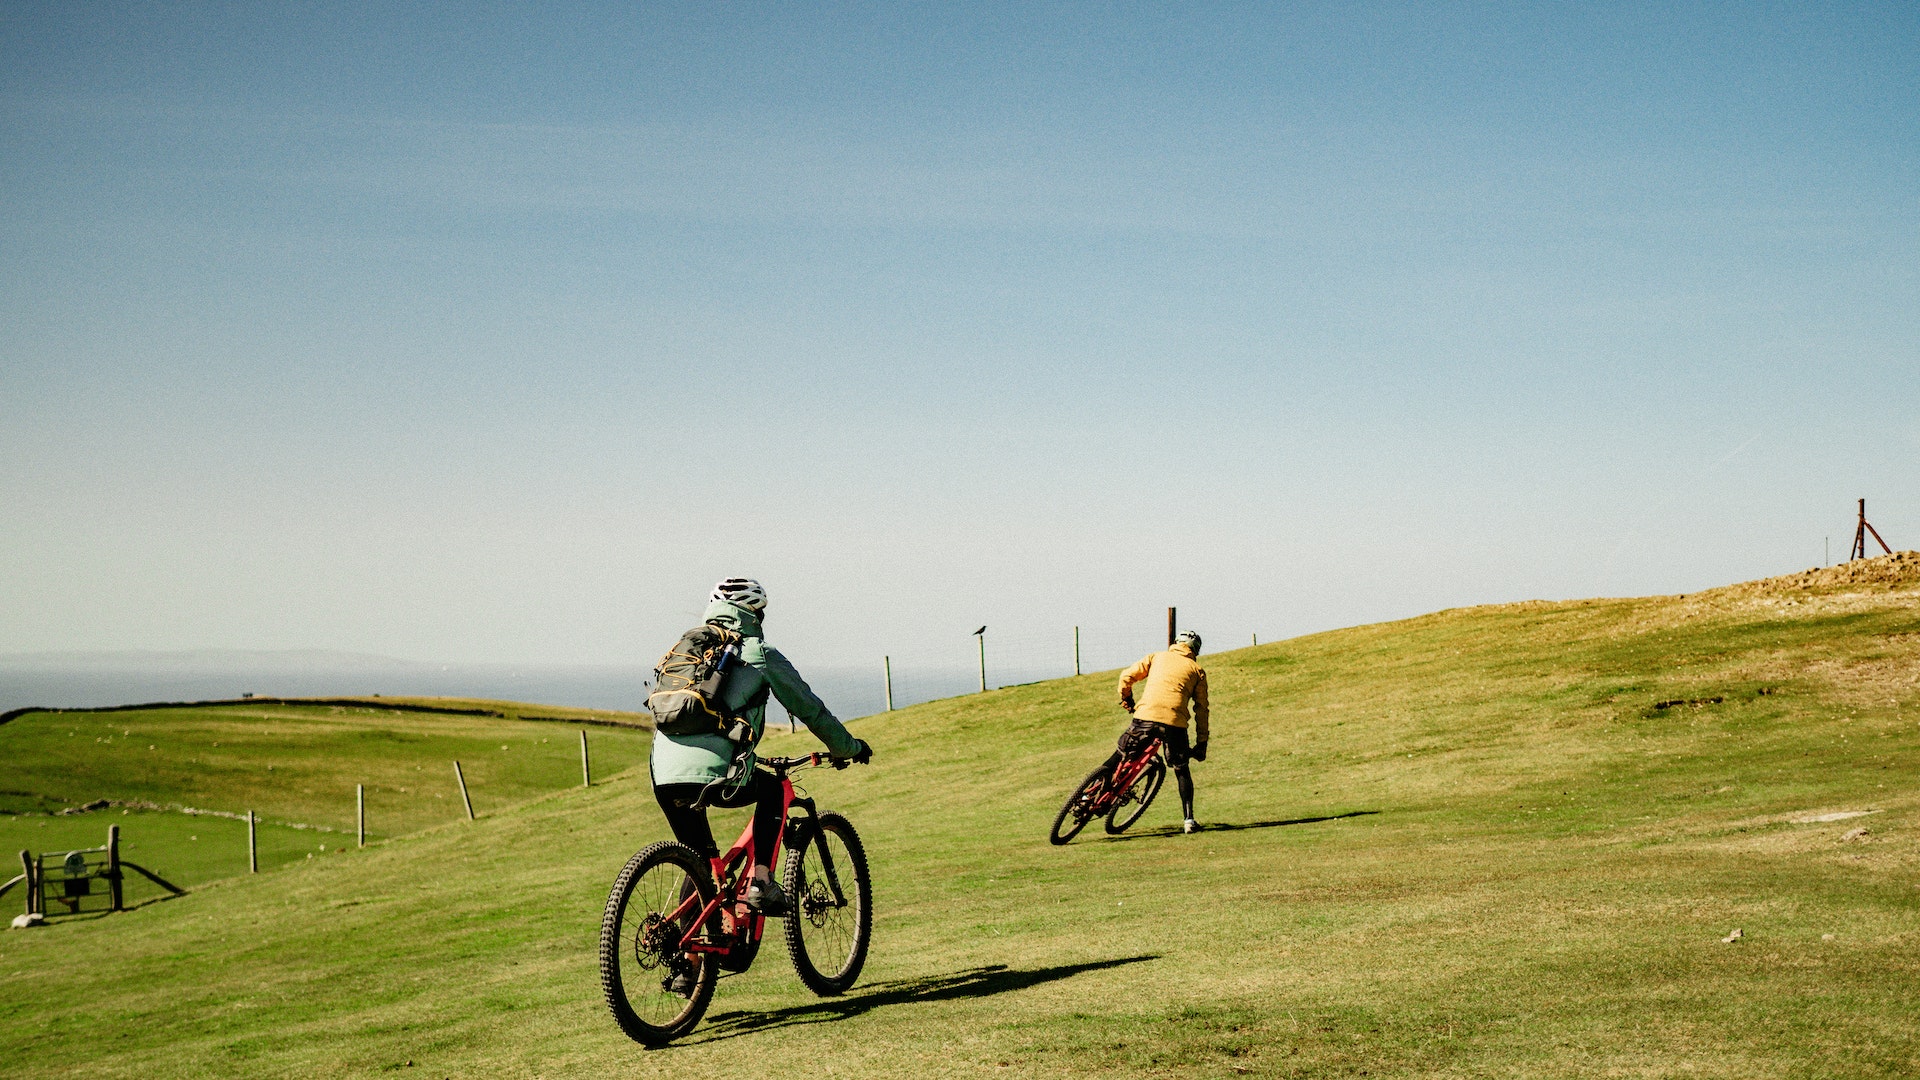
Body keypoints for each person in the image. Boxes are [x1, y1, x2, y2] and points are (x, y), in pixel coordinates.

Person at [649, 578, 871, 916]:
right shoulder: (757, 652)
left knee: (700, 865)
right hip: (717, 774)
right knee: (771, 790)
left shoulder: (688, 648)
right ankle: (762, 882)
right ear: (754, 613)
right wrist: (848, 747)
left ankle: (688, 965)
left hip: (663, 775)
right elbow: (811, 710)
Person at [1111, 629, 1209, 833]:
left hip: (1145, 717)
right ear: (1195, 650)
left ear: (1175, 643)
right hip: (1175, 724)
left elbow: (1126, 676)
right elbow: (1201, 710)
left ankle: (1086, 796)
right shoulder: (1197, 670)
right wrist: (1202, 743)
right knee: (1181, 768)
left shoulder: (1157, 657)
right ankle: (1189, 820)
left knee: (1121, 754)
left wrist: (1126, 699)